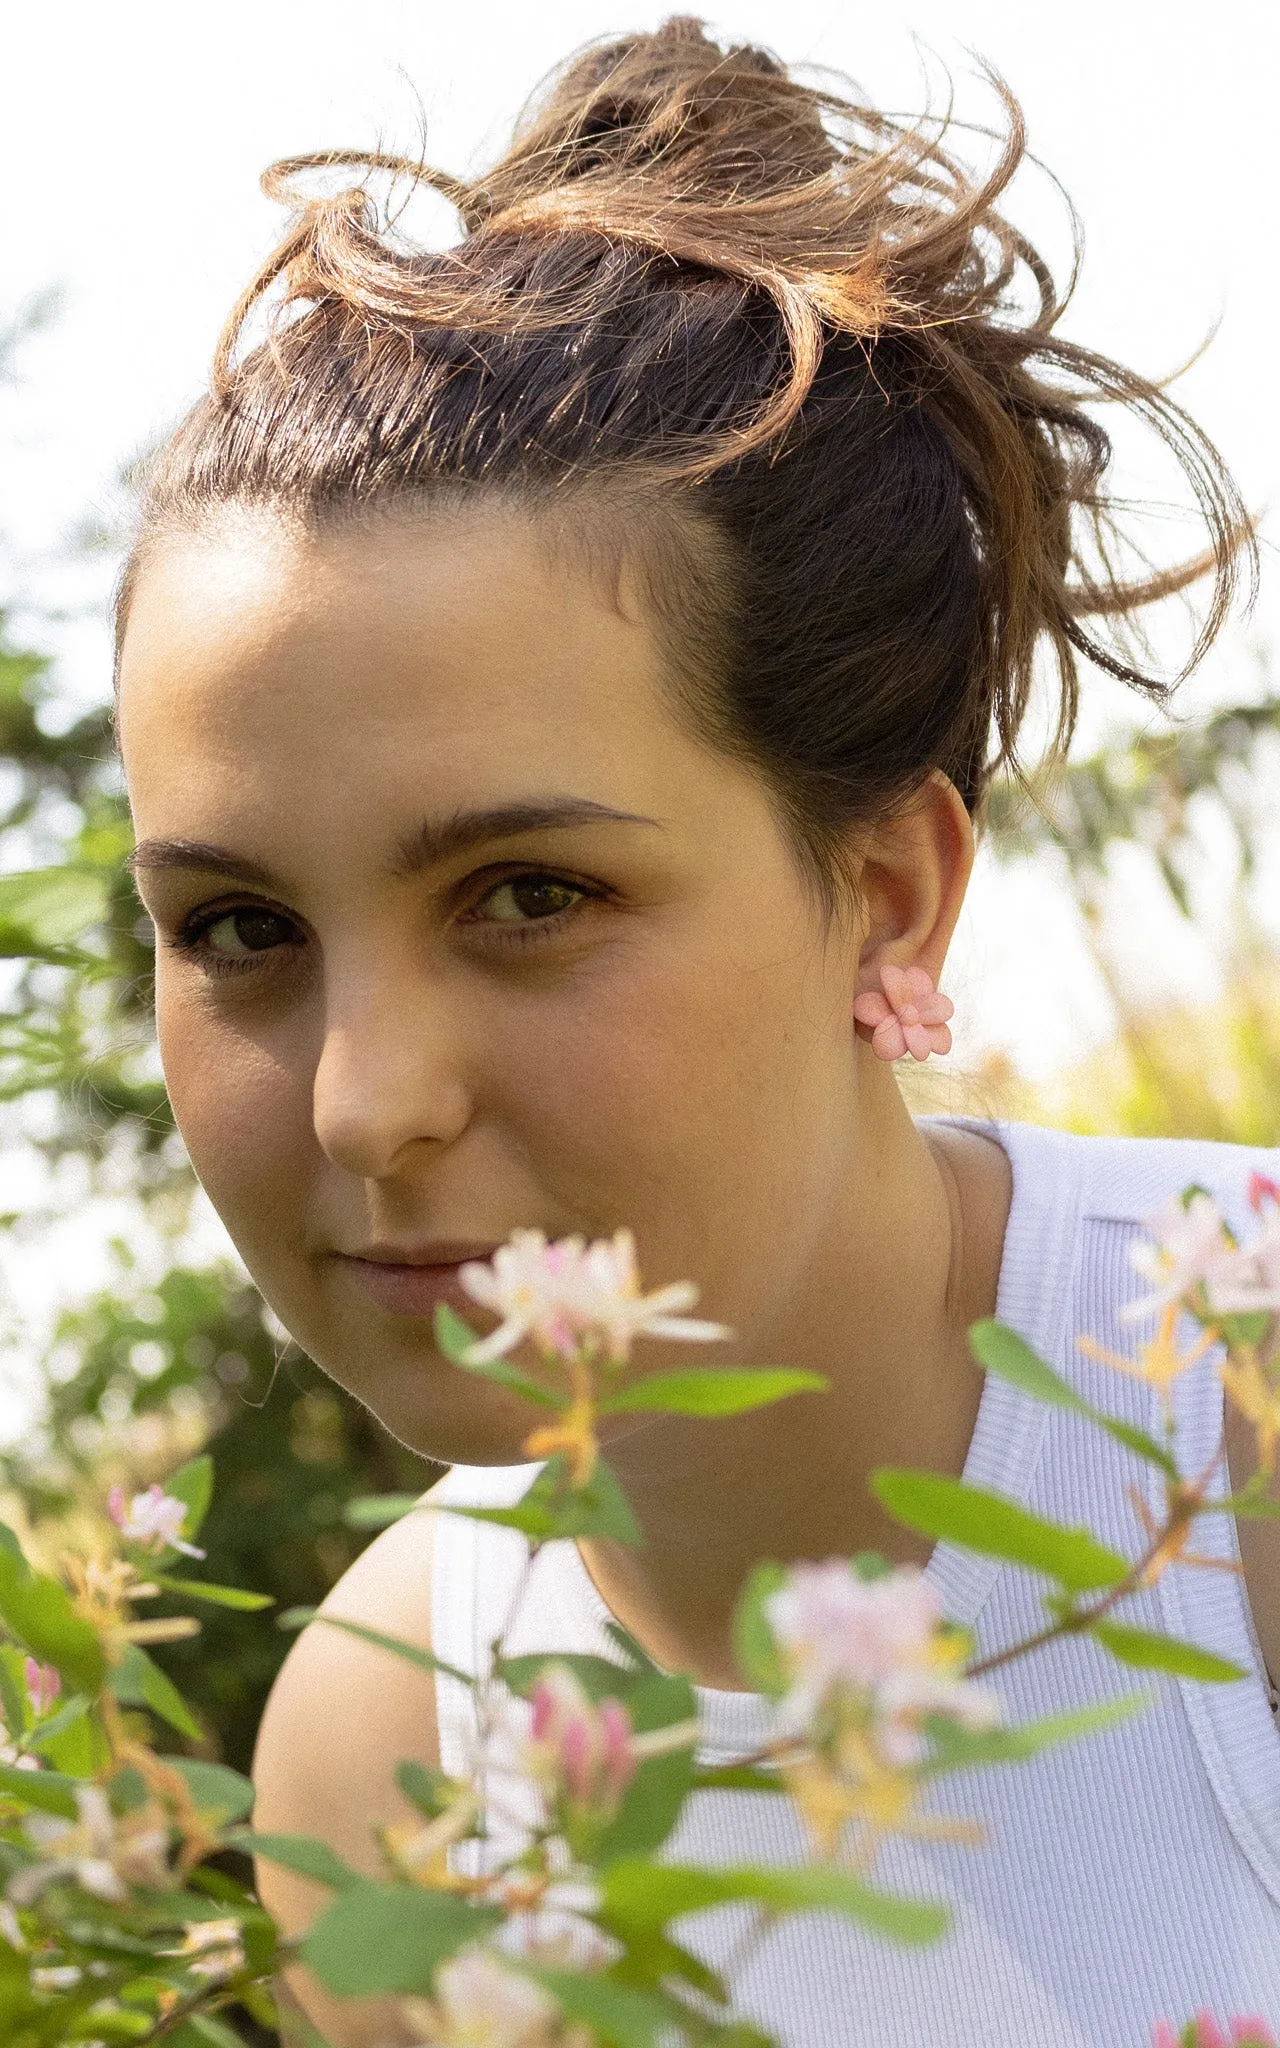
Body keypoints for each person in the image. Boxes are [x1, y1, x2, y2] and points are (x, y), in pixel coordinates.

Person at [113, 19, 1280, 2045]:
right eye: (240, 927)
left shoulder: (1231, 1446)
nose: (369, 1102)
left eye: (533, 896)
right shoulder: (383, 1748)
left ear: (891, 893)